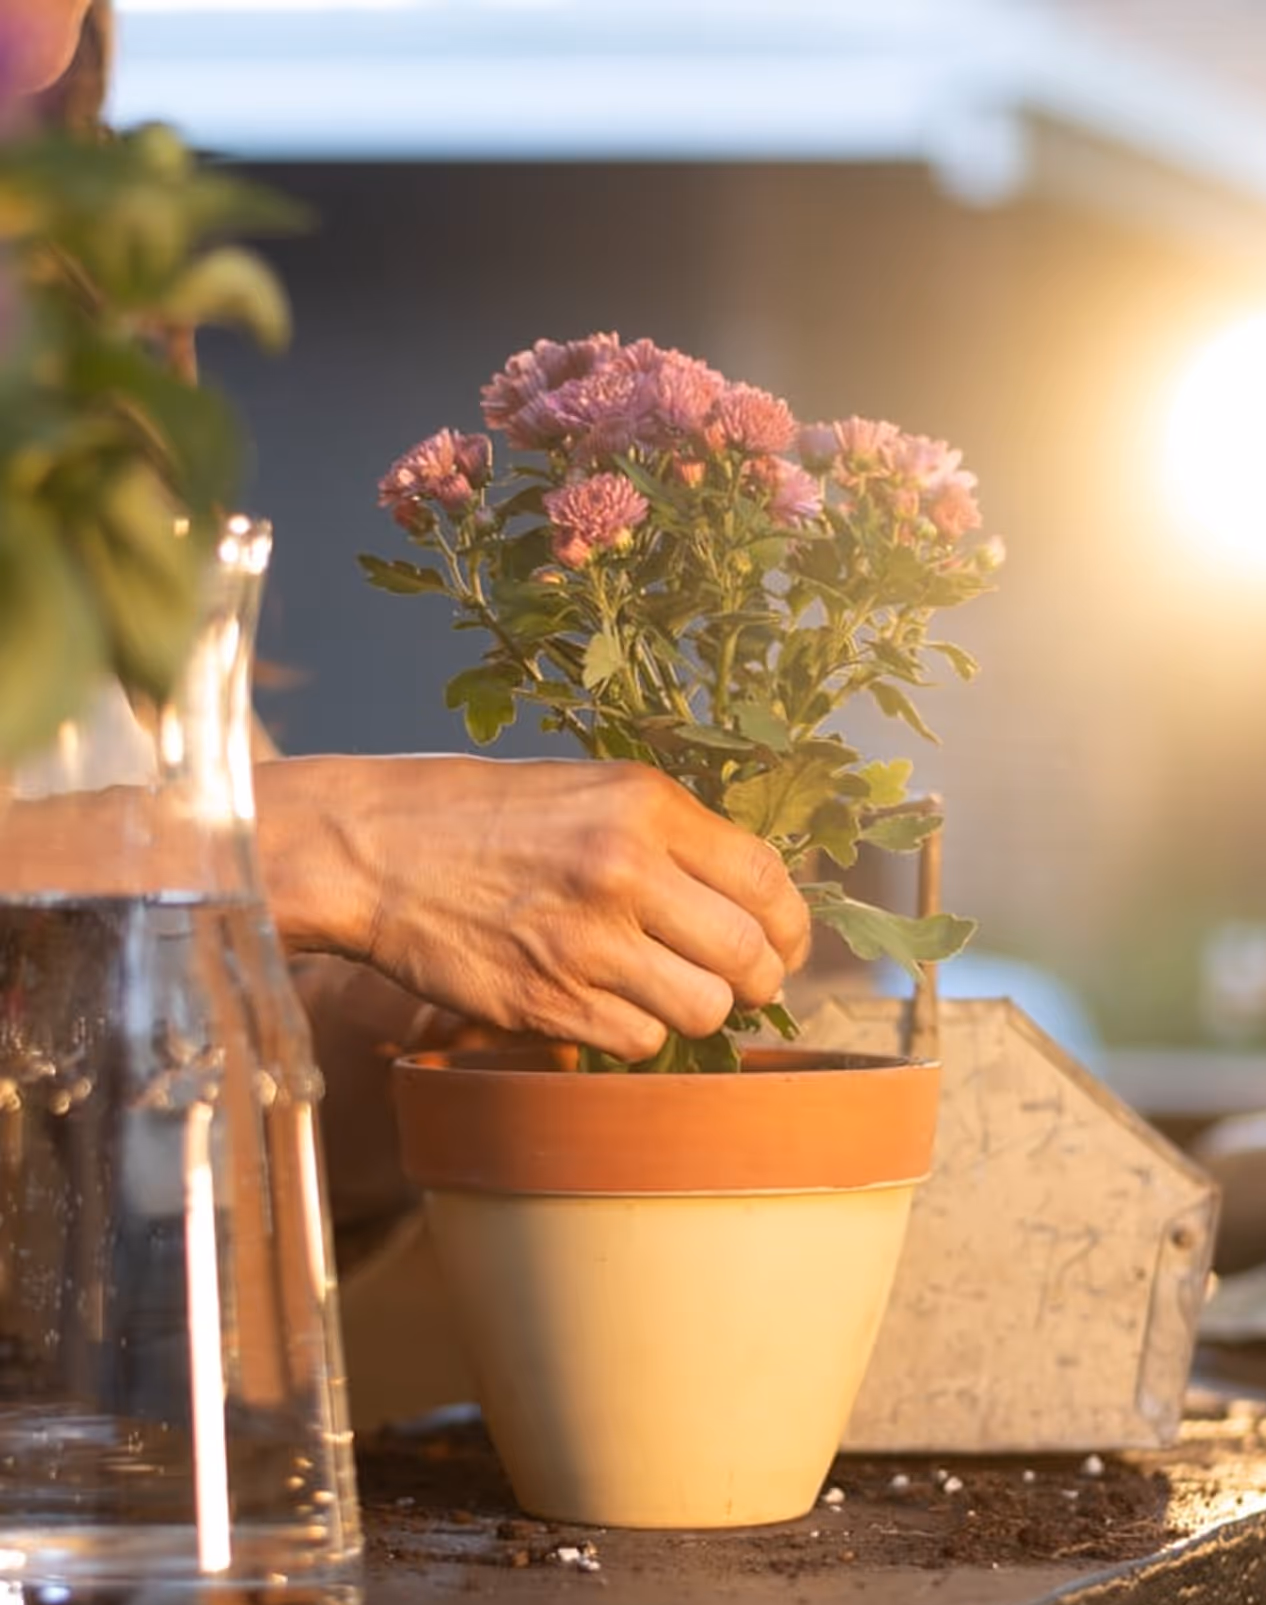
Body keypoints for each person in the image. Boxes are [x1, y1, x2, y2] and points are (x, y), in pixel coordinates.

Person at [6, 1, 811, 1151]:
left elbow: (167, 1008)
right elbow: (261, 860)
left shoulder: (74, 304)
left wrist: (451, 1029)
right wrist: (352, 848)